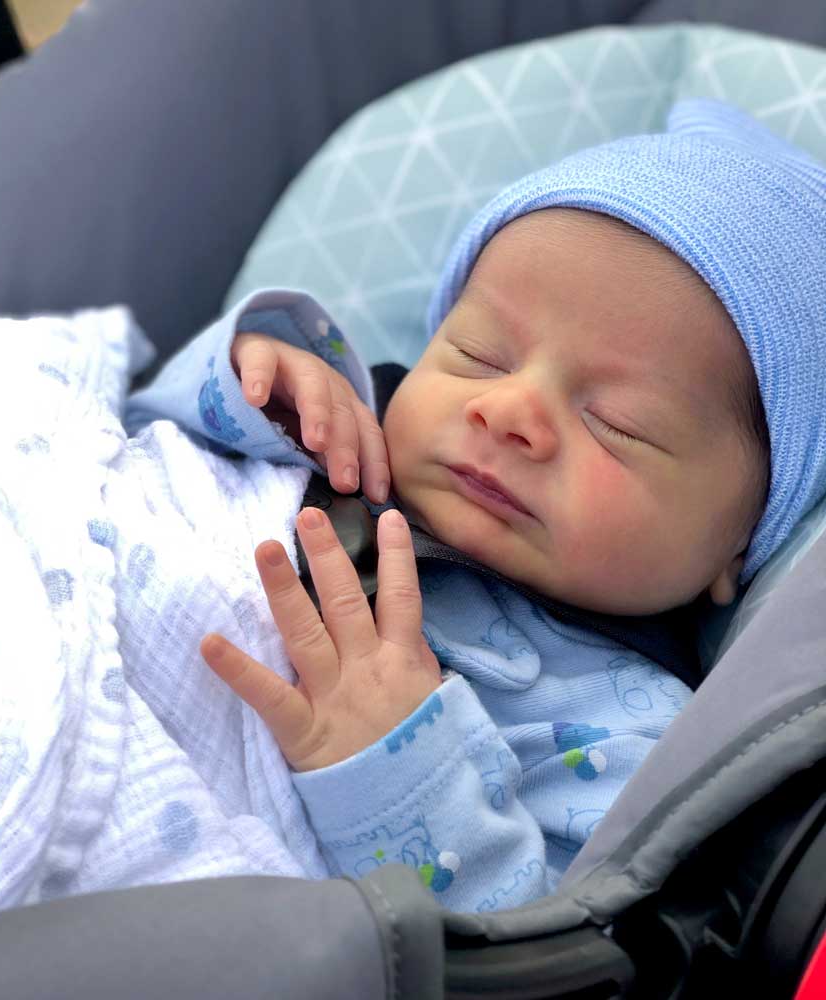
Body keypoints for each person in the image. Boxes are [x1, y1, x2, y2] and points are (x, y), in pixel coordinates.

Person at [123, 97, 823, 909]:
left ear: (734, 546)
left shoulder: (629, 731)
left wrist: (395, 772)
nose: (509, 411)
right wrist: (245, 377)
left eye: (618, 425)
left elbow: (542, 939)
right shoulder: (336, 424)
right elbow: (128, 440)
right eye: (479, 355)